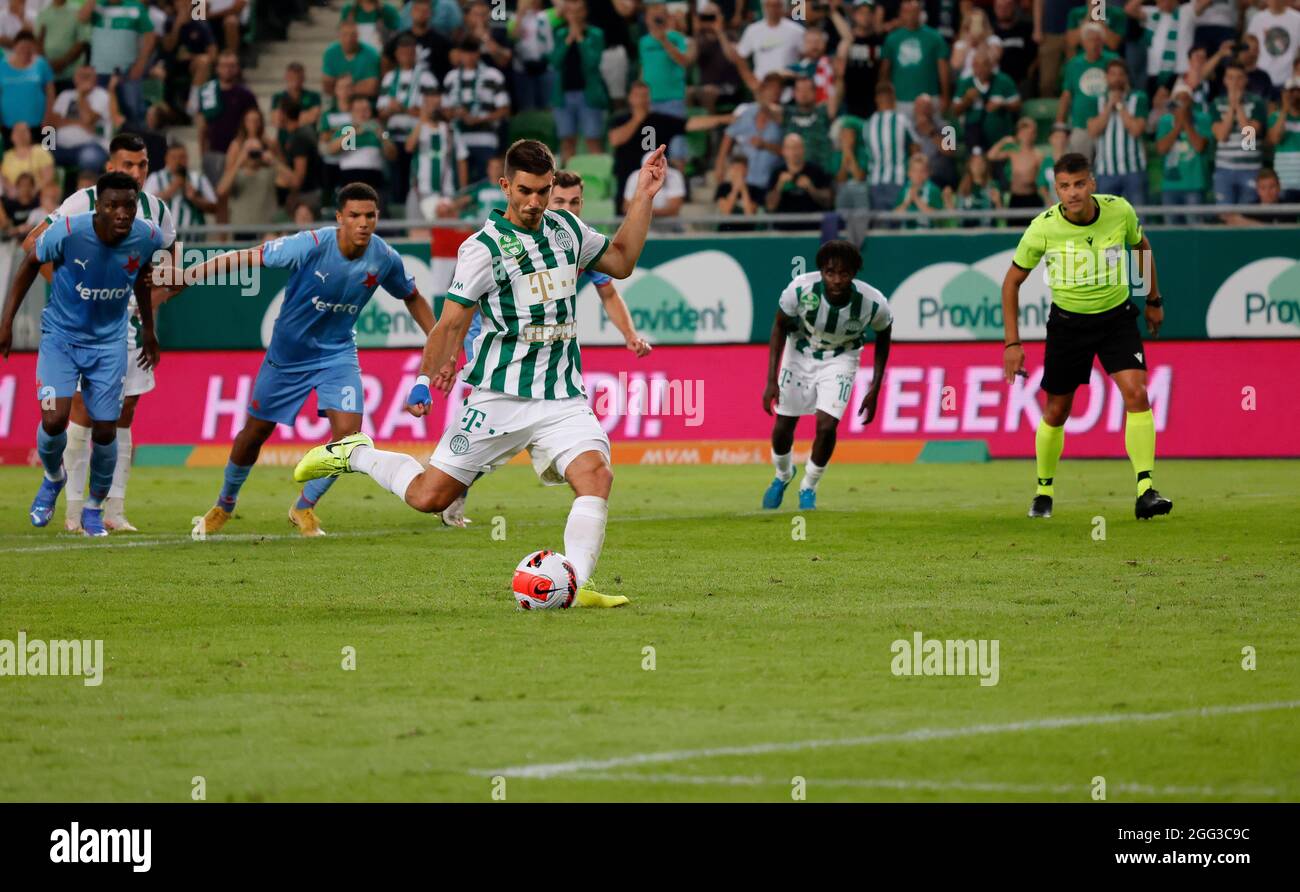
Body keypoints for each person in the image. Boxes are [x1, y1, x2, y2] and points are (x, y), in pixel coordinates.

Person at [292, 140, 671, 608]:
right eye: (526, 191)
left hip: (561, 396)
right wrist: (423, 380)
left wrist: (644, 196)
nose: (535, 202)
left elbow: (622, 260)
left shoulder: (567, 230)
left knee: (596, 476)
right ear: (506, 186)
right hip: (499, 397)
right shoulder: (482, 249)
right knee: (430, 497)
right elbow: (451, 324)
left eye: (543, 191)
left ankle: (577, 583)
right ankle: (356, 453)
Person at [154, 182, 436, 537]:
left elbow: (413, 296)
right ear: (339, 218)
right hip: (287, 356)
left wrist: (437, 336)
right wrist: (190, 276)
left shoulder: (384, 257)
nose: (363, 223)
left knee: (349, 442)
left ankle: (304, 506)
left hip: (337, 355)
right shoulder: (311, 244)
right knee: (253, 435)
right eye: (354, 216)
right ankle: (224, 504)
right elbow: (248, 257)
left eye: (370, 215)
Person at [1001, 153, 1172, 521]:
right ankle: (1043, 491)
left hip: (1117, 319)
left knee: (1137, 393)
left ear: (1092, 183)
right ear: (1056, 189)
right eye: (1065, 186)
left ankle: (1146, 490)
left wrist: (1151, 299)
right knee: (1057, 410)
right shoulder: (1041, 228)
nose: (1073, 192)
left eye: (1079, 184)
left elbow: (1140, 246)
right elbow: (1011, 282)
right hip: (1068, 325)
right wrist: (1012, 344)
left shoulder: (1119, 211)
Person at [22, 133, 175, 532]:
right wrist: (73, 291)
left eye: (143, 165)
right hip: (76, 328)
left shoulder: (157, 212)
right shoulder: (81, 203)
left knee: (122, 416)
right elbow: (31, 245)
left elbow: (173, 271)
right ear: (111, 167)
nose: (137, 173)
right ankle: (73, 509)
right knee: (78, 413)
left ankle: (112, 510)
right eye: (128, 165)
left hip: (125, 325)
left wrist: (151, 303)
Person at [760, 239, 892, 511]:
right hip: (800, 351)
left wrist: (876, 387)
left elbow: (884, 338)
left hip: (842, 357)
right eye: (830, 272)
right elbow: (779, 326)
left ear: (854, 274)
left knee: (827, 426)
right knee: (784, 425)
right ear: (821, 271)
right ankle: (783, 475)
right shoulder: (799, 290)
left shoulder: (874, 303)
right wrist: (771, 379)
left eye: (844, 273)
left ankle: (809, 485)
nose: (836, 280)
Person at [443, 37, 511, 183]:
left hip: (485, 139)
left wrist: (479, 119)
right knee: (459, 184)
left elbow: (504, 109)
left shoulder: (493, 75)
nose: (469, 56)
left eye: (472, 52)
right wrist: (457, 113)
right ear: (460, 54)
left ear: (478, 53)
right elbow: (445, 111)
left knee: (486, 181)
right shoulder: (451, 77)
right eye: (465, 52)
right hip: (458, 139)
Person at [549, 0, 608, 163]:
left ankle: (599, 182)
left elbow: (592, 63)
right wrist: (569, 39)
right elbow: (555, 62)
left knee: (593, 140)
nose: (574, 15)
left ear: (585, 12)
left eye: (578, 11)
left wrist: (580, 38)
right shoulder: (560, 34)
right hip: (563, 96)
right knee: (567, 141)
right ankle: (566, 182)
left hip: (588, 95)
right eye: (571, 11)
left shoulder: (596, 34)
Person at [1088, 59, 1149, 205]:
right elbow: (1093, 131)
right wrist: (1109, 106)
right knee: (1106, 222)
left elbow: (1136, 130)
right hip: (1105, 172)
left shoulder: (1138, 98)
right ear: (1106, 77)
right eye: (1113, 74)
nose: (1117, 78)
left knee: (1137, 220)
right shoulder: (1096, 100)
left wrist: (1120, 106)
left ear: (1126, 77)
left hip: (1133, 170)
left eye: (1121, 74)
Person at [1058, 22, 1120, 158]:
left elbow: (1122, 86)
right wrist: (1060, 124)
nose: (1094, 44)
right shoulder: (1074, 64)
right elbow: (1066, 95)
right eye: (1090, 40)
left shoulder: (1112, 60)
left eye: (1098, 40)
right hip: (1081, 125)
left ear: (1103, 42)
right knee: (1081, 169)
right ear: (1083, 42)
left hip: (1108, 124)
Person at [879, 0, 950, 118]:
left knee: (932, 133)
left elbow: (943, 70)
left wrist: (946, 97)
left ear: (920, 13)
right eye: (906, 12)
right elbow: (884, 72)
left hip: (929, 99)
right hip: (900, 100)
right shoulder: (892, 39)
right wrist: (884, 98)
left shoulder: (935, 37)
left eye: (914, 11)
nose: (910, 15)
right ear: (900, 14)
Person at [1211, 62, 1266, 209]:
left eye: (1239, 78)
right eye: (1230, 78)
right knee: (1225, 214)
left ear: (1246, 80)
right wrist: (1231, 107)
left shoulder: (1257, 103)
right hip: (1224, 169)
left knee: (1247, 214)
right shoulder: (1216, 103)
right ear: (1224, 80)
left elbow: (1249, 138)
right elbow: (1222, 135)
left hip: (1251, 169)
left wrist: (1238, 106)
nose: (1235, 82)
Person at [1155, 81, 1212, 223]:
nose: (1182, 103)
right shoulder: (1165, 121)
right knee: (1171, 230)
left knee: (1196, 229)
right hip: (1170, 184)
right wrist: (1177, 127)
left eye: (1185, 99)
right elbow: (1162, 149)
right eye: (1179, 99)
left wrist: (1185, 123)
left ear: (1192, 101)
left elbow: (1199, 146)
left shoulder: (1203, 119)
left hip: (1194, 183)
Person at [48, 65, 112, 173]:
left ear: (95, 79)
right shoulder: (65, 95)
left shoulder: (102, 95)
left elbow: (88, 119)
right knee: (42, 155)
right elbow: (51, 123)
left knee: (89, 158)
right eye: (81, 76)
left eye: (88, 76)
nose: (84, 79)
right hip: (60, 146)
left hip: (92, 146)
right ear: (74, 78)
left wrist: (81, 95)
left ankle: (86, 188)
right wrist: (79, 123)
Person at [145, 142, 219, 229]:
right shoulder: (156, 178)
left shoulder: (198, 179)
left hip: (193, 239)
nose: (178, 161)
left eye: (182, 157)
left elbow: (215, 207)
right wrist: (171, 189)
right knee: (178, 243)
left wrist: (195, 198)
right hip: (168, 239)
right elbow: (145, 204)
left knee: (181, 243)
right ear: (166, 159)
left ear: (187, 158)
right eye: (174, 157)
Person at [765, 133, 834, 223]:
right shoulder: (776, 172)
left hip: (812, 226)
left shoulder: (816, 170)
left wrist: (811, 188)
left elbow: (828, 202)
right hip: (783, 228)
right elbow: (770, 207)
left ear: (803, 150)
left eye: (797, 147)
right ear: (784, 151)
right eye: (790, 148)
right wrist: (779, 186)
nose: (794, 152)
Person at [1246, 0, 1300, 97]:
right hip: (1262, 78)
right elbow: (1249, 46)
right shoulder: (1257, 18)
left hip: (1288, 78)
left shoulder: (1297, 19)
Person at [989, 117, 1046, 209]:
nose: (1026, 137)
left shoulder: (1038, 155)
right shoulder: (1012, 152)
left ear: (1034, 135)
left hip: (1033, 197)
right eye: (1024, 133)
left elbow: (1042, 180)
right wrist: (1003, 141)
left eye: (1029, 133)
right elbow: (991, 156)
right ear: (1018, 134)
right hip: (1015, 197)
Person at [1268, 76, 1300, 202]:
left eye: (1298, 91)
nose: (1295, 95)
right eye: (1291, 91)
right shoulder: (1276, 116)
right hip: (1284, 181)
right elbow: (1275, 139)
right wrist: (1285, 110)